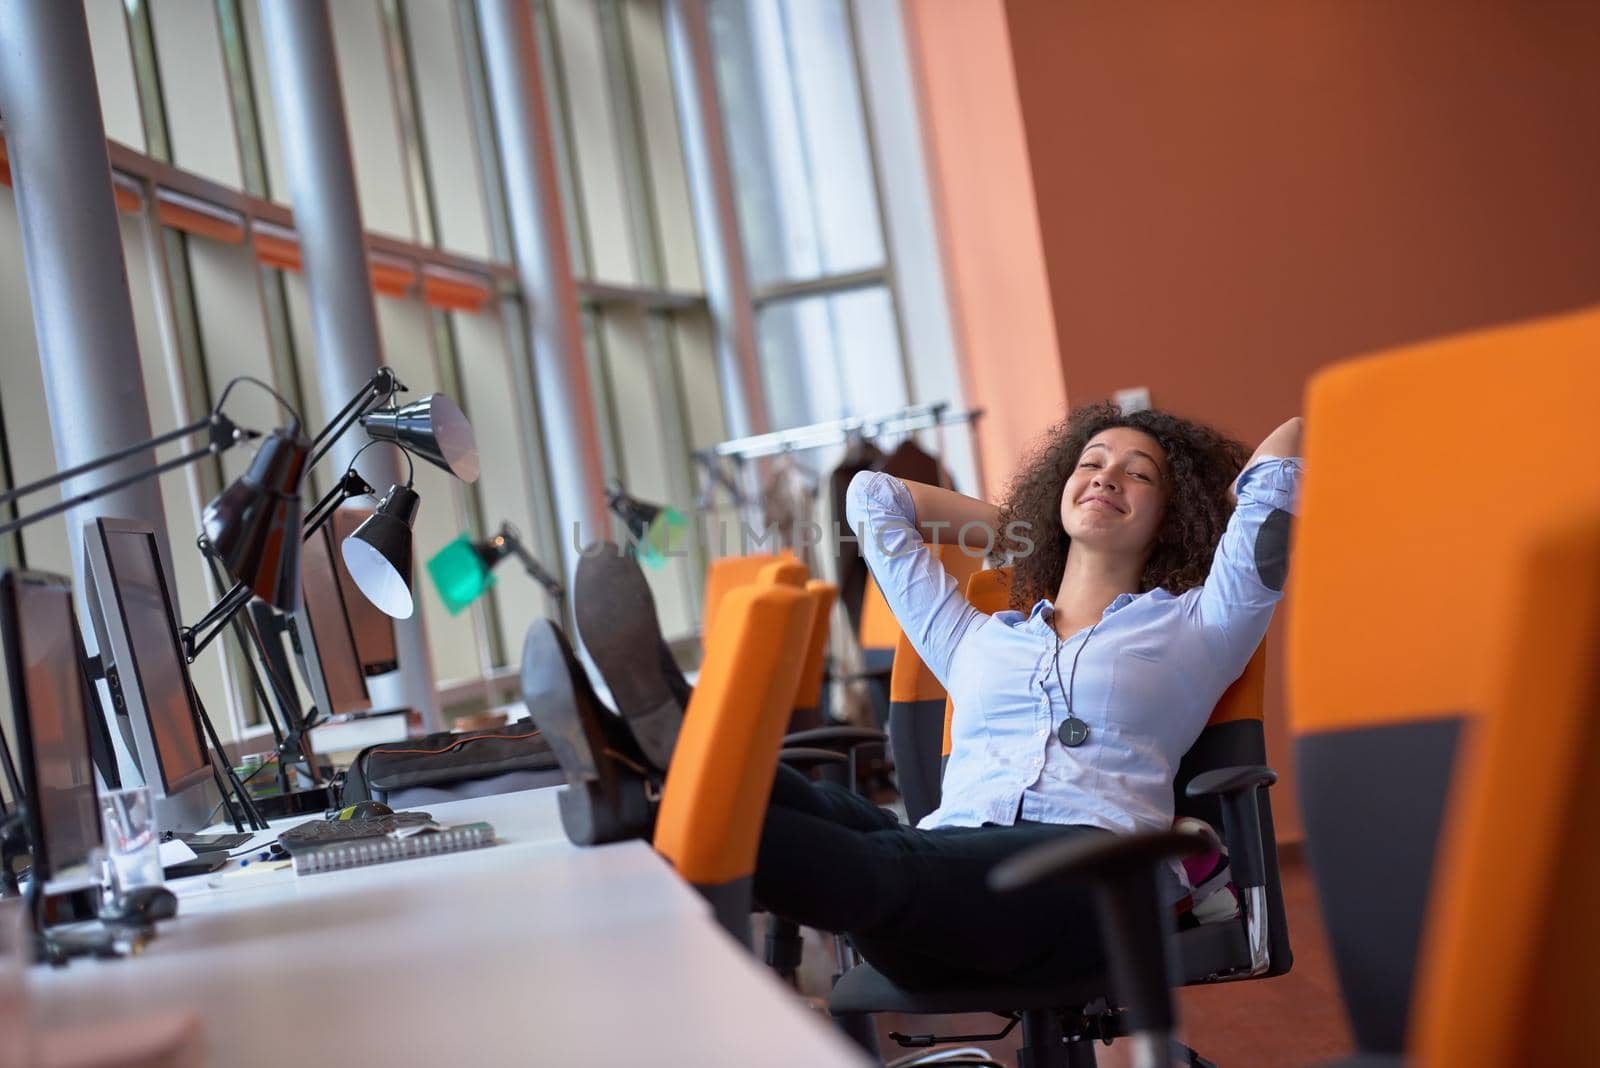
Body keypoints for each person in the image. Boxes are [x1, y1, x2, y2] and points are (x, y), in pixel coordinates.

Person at [749, 404, 1303, 989]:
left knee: (879, 861)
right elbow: (870, 498)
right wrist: (1030, 528)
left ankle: (672, 800)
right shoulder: (973, 637)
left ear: (1171, 517)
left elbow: (1284, 453)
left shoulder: (1202, 626)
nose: (1106, 477)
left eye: (1139, 474)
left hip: (1088, 872)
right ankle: (673, 764)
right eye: (1090, 464)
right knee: (804, 804)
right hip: (945, 872)